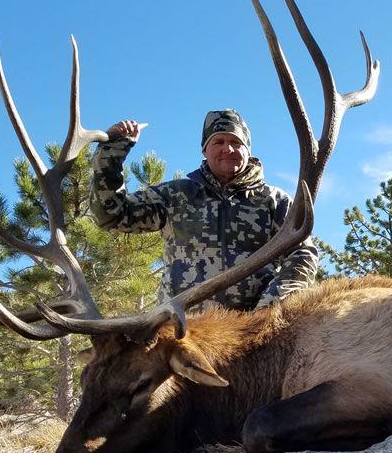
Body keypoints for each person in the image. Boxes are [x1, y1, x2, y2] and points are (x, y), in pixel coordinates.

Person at [89, 109, 318, 311]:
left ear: (247, 149)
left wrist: (269, 310)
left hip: (250, 333)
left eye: (236, 142)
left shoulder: (275, 201)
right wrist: (113, 151)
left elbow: (303, 254)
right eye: (218, 142)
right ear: (204, 150)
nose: (228, 149)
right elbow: (111, 214)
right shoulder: (175, 195)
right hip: (182, 333)